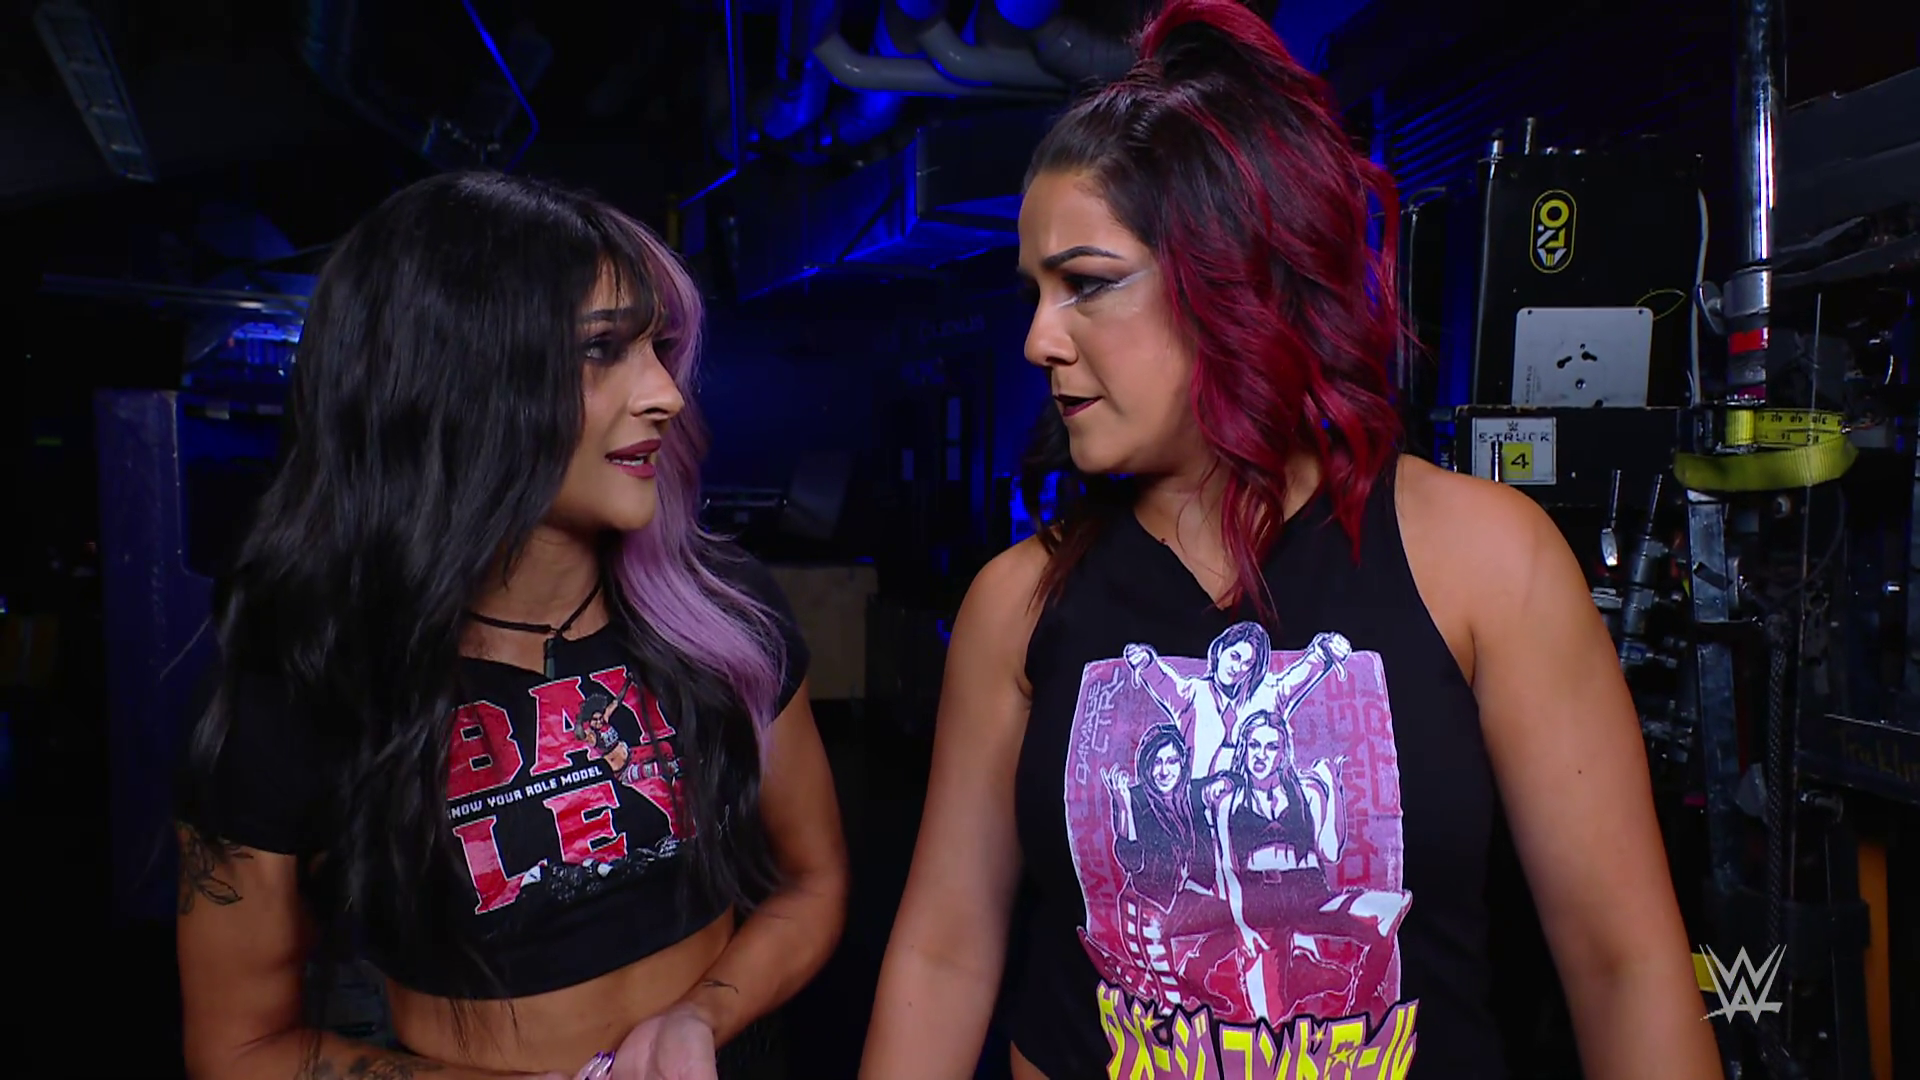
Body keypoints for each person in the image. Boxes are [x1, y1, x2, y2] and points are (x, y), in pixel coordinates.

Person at [861, 1, 1721, 1077]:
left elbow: (1621, 966)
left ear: (1233, 275)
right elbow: (944, 954)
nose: (1039, 338)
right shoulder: (1017, 603)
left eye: (1087, 283)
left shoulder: (1486, 562)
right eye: (1036, 291)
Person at [175, 171, 848, 1080]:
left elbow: (813, 881)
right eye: (603, 348)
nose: (666, 394)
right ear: (459, 377)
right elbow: (239, 1046)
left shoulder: (721, 612)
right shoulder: (310, 677)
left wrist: (698, 1018)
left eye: (658, 348)